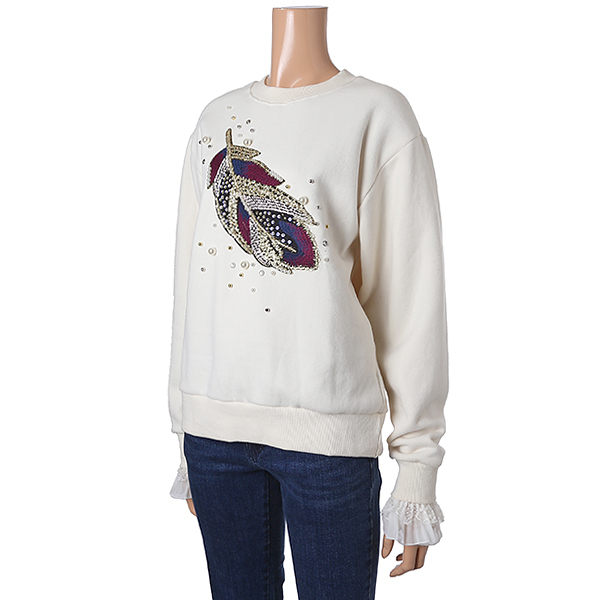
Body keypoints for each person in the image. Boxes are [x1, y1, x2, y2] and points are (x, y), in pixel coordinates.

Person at [167, 7, 449, 599]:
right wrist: (185, 426)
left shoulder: (376, 114)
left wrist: (417, 464)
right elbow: (189, 289)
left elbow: (410, 300)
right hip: (215, 442)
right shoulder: (215, 118)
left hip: (327, 443)